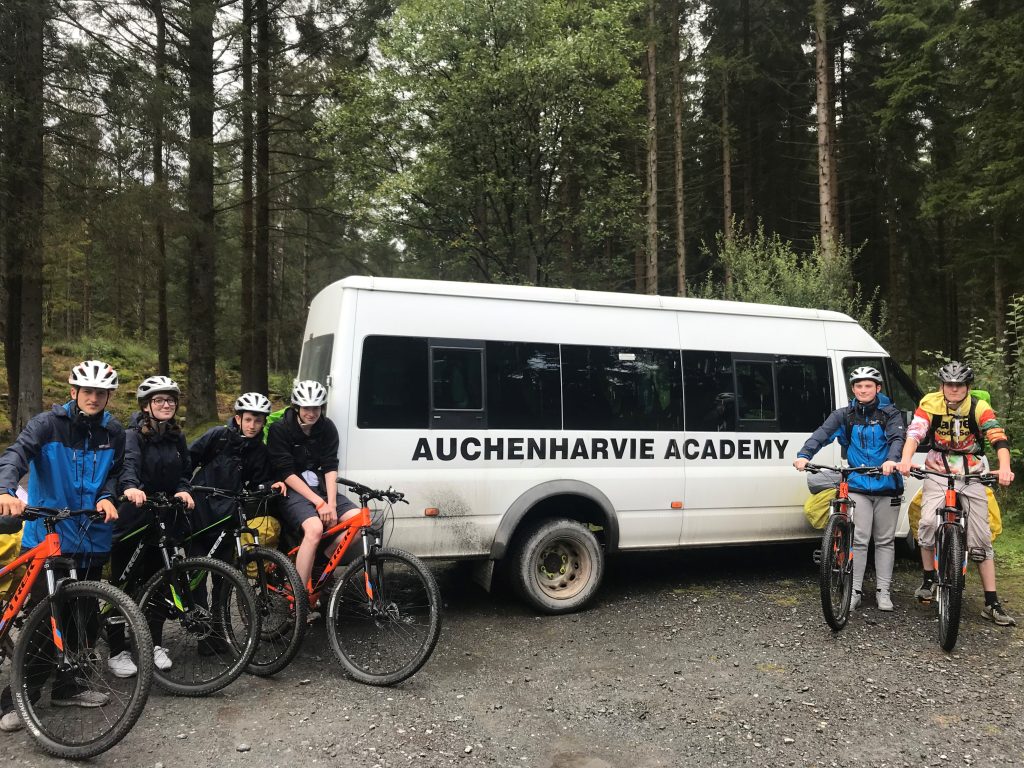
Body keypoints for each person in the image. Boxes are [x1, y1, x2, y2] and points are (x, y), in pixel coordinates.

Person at [0, 360, 124, 733]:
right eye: (87, 391)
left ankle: (68, 687)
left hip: (92, 535)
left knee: (84, 618)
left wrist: (107, 494)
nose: (94, 398)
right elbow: (16, 454)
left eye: (100, 393)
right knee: (44, 621)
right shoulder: (47, 425)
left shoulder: (114, 431)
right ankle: (20, 695)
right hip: (50, 536)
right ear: (74, 393)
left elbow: (117, 472)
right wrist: (5, 489)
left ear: (107, 397)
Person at [897, 361, 1016, 626]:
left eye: (959, 385)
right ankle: (929, 579)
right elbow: (915, 433)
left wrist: (1004, 468)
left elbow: (998, 437)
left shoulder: (979, 407)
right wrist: (906, 460)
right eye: (949, 384)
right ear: (942, 386)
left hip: (972, 471)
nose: (953, 389)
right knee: (927, 522)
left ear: (967, 387)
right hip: (938, 471)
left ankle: (991, 602)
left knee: (981, 539)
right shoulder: (930, 404)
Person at [793, 366, 905, 611]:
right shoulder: (844, 414)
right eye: (858, 386)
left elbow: (898, 439)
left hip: (887, 484)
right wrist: (804, 455)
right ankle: (854, 590)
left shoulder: (891, 414)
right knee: (861, 539)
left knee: (885, 540)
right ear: (853, 390)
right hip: (858, 484)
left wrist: (892, 460)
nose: (863, 390)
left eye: (868, 386)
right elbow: (823, 433)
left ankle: (883, 592)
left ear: (877, 388)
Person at [107, 375, 195, 678]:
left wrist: (184, 489)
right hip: (133, 518)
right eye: (159, 400)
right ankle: (118, 650)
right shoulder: (132, 435)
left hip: (162, 519)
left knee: (158, 583)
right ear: (146, 406)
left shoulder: (176, 436)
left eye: (170, 399)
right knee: (124, 584)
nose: (166, 404)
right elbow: (127, 466)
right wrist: (131, 487)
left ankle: (154, 644)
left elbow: (185, 470)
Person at [266, 380, 357, 593]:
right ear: (297, 407)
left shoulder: (327, 428)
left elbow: (330, 466)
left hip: (321, 489)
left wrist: (331, 504)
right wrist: (319, 503)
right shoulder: (280, 429)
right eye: (307, 407)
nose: (312, 412)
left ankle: (319, 564)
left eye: (316, 407)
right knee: (315, 528)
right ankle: (298, 596)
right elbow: (286, 472)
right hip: (293, 490)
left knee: (357, 522)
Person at [188, 391, 286, 555]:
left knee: (225, 567)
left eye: (258, 421)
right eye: (248, 420)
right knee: (196, 563)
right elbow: (188, 460)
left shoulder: (259, 450)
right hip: (200, 507)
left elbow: (258, 481)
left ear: (264, 422)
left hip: (228, 512)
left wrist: (271, 484)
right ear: (238, 418)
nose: (252, 426)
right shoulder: (219, 436)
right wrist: (182, 489)